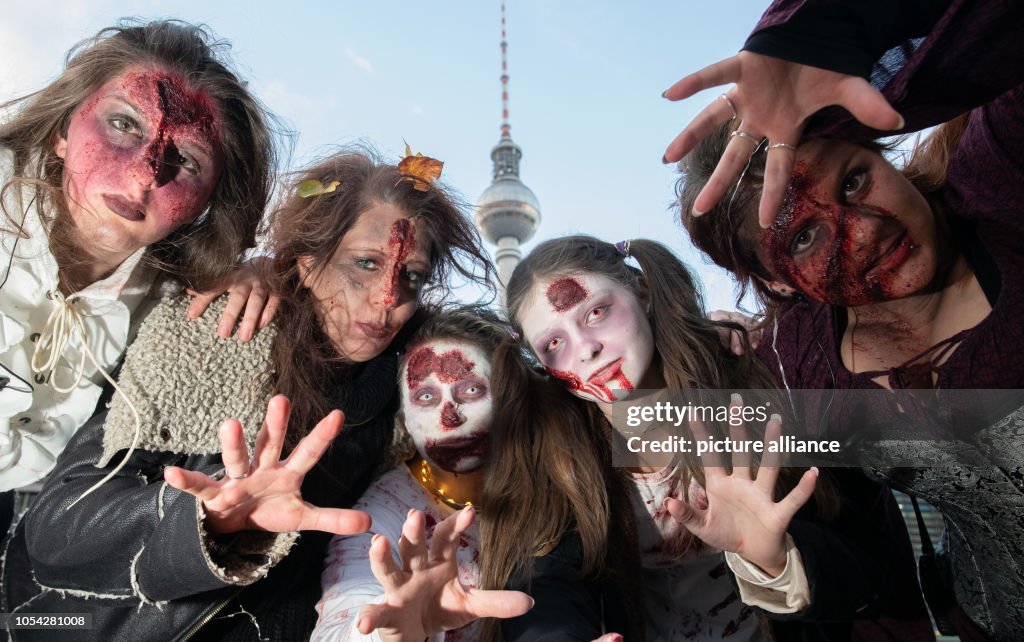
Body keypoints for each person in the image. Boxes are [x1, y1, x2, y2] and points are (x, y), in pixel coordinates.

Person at [1, 148, 497, 641]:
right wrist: (204, 524)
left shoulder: (416, 394)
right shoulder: (210, 337)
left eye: (411, 275)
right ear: (307, 261)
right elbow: (55, 530)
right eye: (365, 263)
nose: (387, 299)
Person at [670, 1, 1024, 637]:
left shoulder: (1004, 185)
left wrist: (829, 24)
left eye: (857, 180)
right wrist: (774, 559)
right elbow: (868, 561)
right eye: (804, 236)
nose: (862, 233)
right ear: (775, 280)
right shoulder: (796, 368)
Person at [483, 235, 930, 641]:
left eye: (596, 312)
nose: (585, 348)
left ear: (642, 292)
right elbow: (546, 583)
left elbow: (876, 568)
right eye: (554, 344)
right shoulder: (555, 456)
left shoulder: (761, 389)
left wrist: (777, 561)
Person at [0, 19, 281, 507]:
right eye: (124, 124)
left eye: (188, 160)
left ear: (209, 201)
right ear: (63, 130)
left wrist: (263, 273)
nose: (145, 174)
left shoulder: (176, 300)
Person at [312, 306, 533, 642]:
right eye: (426, 396)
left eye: (470, 390)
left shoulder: (550, 475)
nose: (449, 417)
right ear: (405, 419)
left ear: (511, 397)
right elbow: (338, 623)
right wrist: (388, 632)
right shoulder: (383, 518)